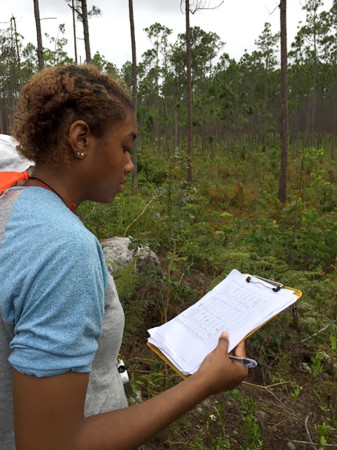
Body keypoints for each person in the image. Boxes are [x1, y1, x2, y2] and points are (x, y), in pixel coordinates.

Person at [0, 64, 248, 450]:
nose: (130, 164)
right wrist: (203, 383)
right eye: (125, 146)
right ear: (80, 137)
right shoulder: (64, 249)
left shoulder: (11, 205)